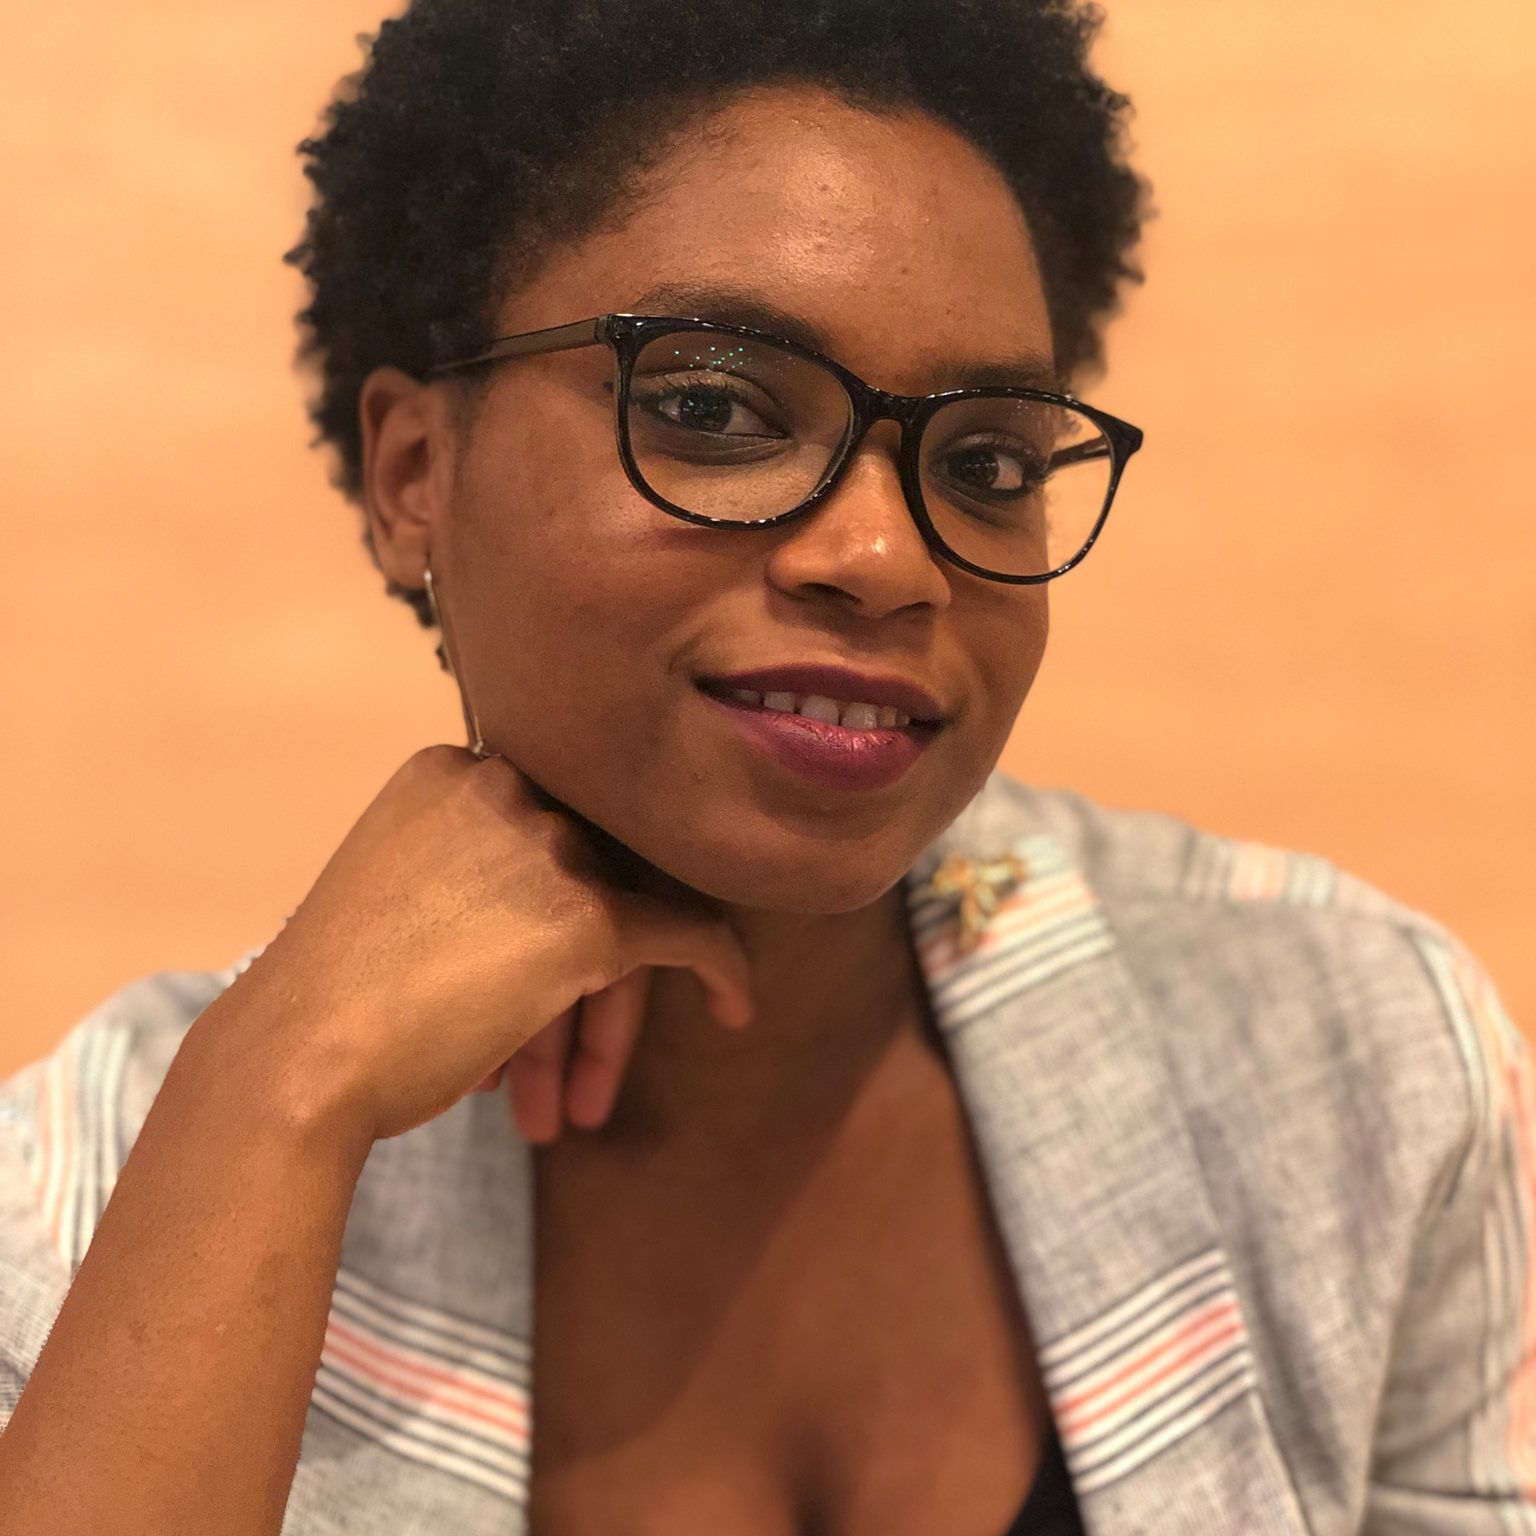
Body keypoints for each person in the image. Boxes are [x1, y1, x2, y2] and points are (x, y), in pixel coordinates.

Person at [0, 0, 1527, 1532]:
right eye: (712, 410)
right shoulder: (101, 1176)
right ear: (414, 476)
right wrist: (283, 1088)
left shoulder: (1359, 1066)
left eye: (987, 462)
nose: (887, 558)